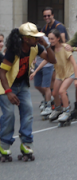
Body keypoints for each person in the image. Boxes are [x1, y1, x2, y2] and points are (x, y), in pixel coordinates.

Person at [0, 23, 56, 162]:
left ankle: (26, 144)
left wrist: (47, 45)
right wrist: (8, 92)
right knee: (9, 116)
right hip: (7, 86)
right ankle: (4, 145)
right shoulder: (13, 50)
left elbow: (52, 60)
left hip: (22, 85)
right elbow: (2, 72)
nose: (37, 39)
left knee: (28, 113)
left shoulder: (36, 47)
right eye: (34, 37)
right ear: (25, 39)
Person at [30, 29, 77, 127]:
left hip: (69, 74)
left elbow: (74, 63)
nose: (50, 41)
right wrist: (35, 71)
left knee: (62, 91)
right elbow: (46, 60)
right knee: (54, 93)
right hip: (59, 75)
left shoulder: (65, 47)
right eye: (49, 39)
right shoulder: (51, 49)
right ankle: (58, 109)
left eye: (52, 39)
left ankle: (67, 111)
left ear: (58, 38)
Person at [33, 35, 54, 118]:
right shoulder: (31, 41)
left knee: (46, 87)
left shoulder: (45, 40)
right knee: (37, 85)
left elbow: (49, 56)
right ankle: (49, 98)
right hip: (38, 64)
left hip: (47, 65)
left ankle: (48, 106)